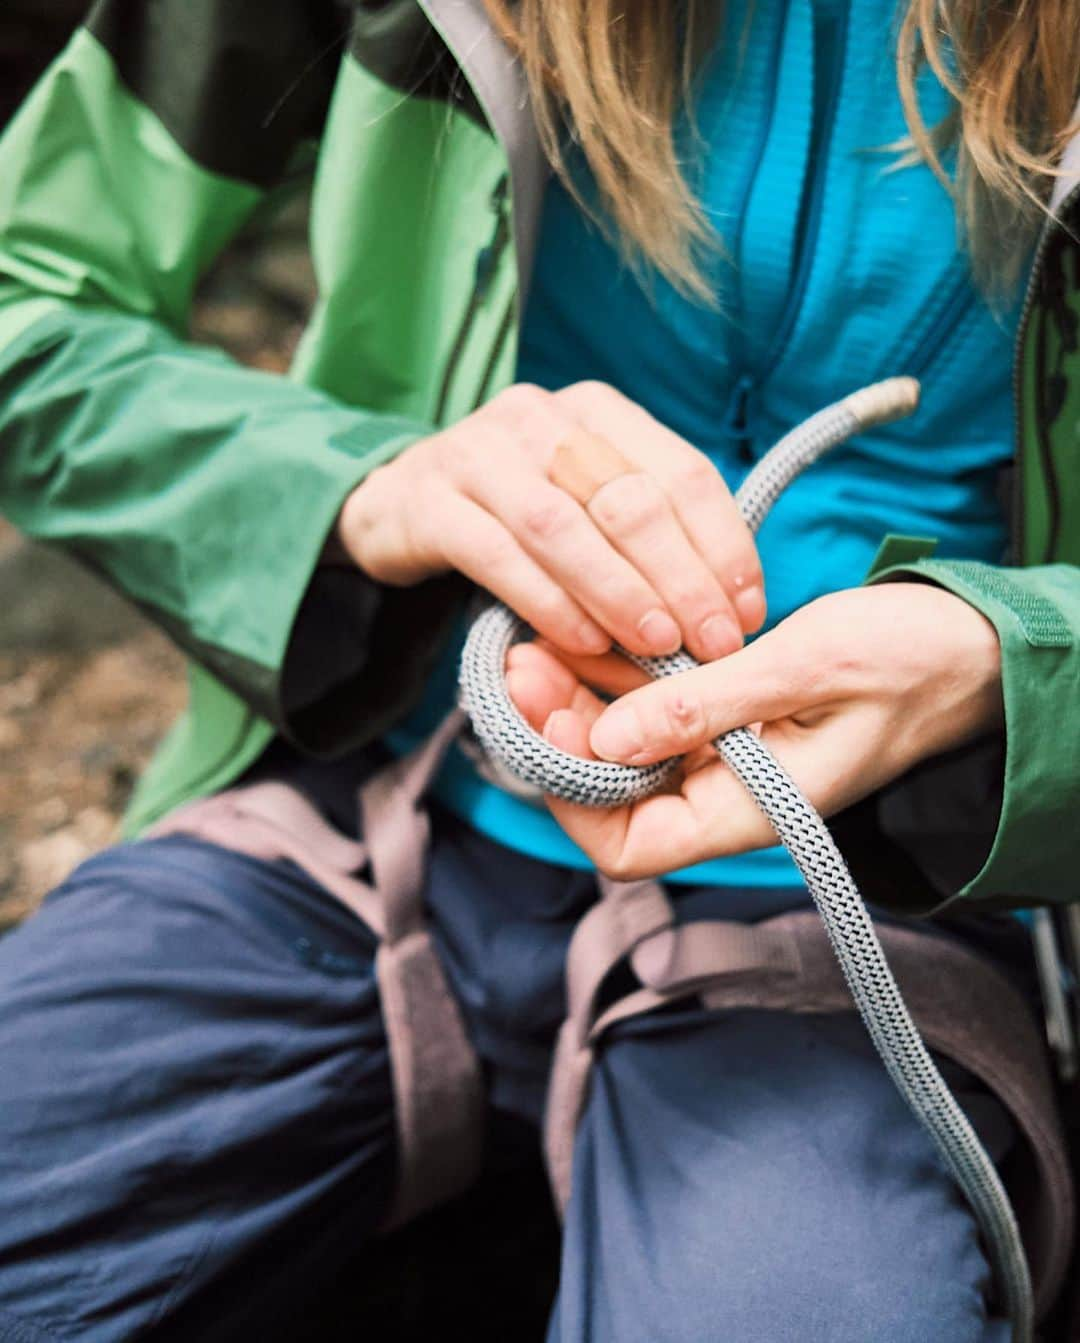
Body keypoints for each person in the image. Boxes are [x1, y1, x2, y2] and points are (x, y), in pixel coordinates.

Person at [0, 0, 1077, 1338]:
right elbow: (24, 299)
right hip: (365, 811)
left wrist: (1014, 666)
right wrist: (358, 491)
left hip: (881, 908)